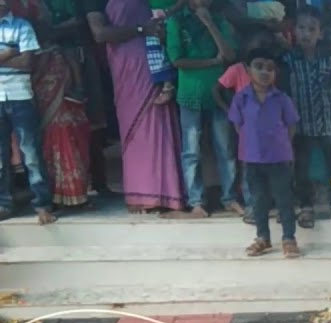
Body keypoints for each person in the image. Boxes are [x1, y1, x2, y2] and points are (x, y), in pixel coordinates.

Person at [86, 0, 183, 213]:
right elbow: (100, 34)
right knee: (135, 127)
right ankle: (142, 193)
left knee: (158, 121)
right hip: (125, 63)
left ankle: (167, 193)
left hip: (151, 56)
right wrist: (140, 28)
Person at [12, 0, 92, 211]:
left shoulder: (57, 49)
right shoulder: (20, 22)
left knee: (67, 134)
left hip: (59, 89)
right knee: (44, 142)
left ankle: (74, 194)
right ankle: (54, 195)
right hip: (32, 91)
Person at [167, 0, 239, 217]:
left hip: (219, 96)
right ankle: (196, 201)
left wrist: (209, 24)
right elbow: (177, 60)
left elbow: (230, 56)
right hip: (190, 94)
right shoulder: (176, 21)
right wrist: (211, 62)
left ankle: (230, 198)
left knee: (225, 148)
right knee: (191, 151)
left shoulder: (219, 19)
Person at [228, 46, 298, 259]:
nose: (265, 72)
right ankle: (263, 238)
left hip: (279, 157)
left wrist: (283, 146)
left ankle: (289, 238)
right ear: (248, 70)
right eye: (259, 67)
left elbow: (291, 125)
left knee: (284, 198)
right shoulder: (241, 98)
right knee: (258, 199)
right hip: (252, 158)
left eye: (270, 68)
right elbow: (238, 125)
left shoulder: (282, 99)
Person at [283, 6, 331, 230]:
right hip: (301, 123)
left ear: (320, 33)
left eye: (311, 29)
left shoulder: (329, 60)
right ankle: (305, 207)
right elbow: (285, 93)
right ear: (294, 31)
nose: (306, 33)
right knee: (302, 166)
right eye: (301, 28)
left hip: (327, 121)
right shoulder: (288, 60)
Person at [0, 0, 55, 223]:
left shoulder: (22, 25)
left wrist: (11, 57)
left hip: (20, 96)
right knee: (0, 157)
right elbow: (19, 59)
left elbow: (27, 63)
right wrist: (8, 53)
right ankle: (3, 204)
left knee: (30, 154)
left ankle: (42, 205)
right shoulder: (20, 30)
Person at [212, 27, 271, 220]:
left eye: (264, 43)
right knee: (241, 161)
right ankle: (245, 202)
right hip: (242, 125)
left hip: (261, 125)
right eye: (257, 43)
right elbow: (216, 90)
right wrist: (228, 110)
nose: (261, 46)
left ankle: (257, 202)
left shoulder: (267, 71)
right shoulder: (237, 69)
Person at [144, 0, 179, 104]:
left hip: (176, 14)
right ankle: (167, 84)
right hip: (155, 16)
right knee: (154, 46)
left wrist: (168, 11)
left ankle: (169, 86)